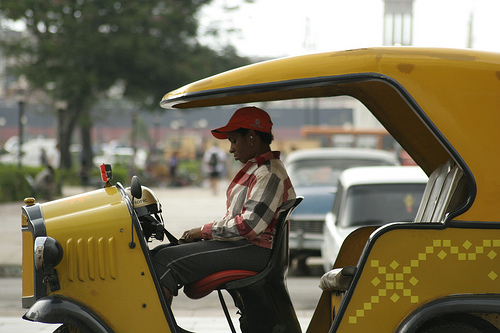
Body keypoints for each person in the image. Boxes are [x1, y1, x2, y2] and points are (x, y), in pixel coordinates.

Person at [152, 106, 296, 310]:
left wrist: (204, 231)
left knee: (165, 260)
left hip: (253, 250)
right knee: (159, 252)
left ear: (252, 137)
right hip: (246, 246)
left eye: (234, 140)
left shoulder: (269, 173)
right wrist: (205, 234)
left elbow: (248, 226)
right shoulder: (259, 169)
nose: (230, 149)